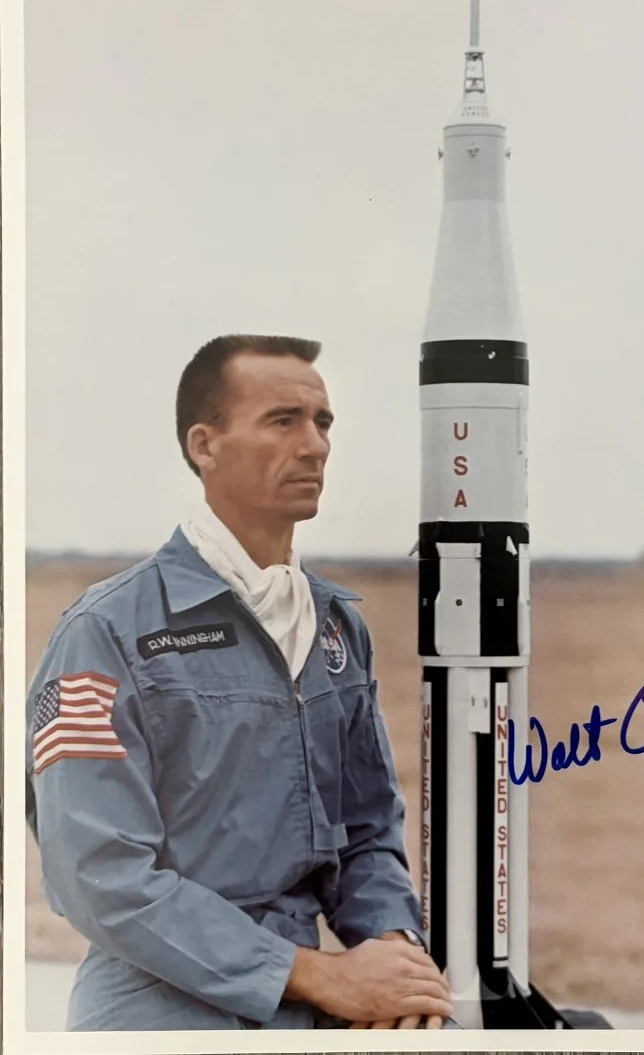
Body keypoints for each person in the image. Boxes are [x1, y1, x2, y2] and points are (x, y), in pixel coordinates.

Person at [25, 334, 455, 1032]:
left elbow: (367, 830)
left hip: (319, 1000)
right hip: (157, 1003)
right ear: (205, 444)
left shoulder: (335, 626)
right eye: (283, 420)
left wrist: (391, 950)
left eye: (322, 422)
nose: (314, 446)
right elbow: (99, 875)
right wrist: (314, 974)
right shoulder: (106, 631)